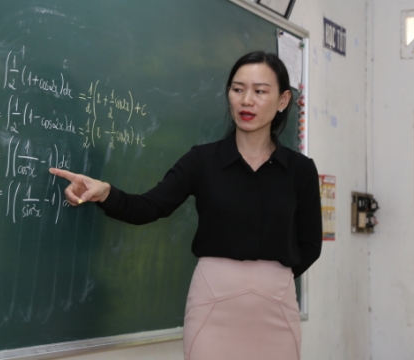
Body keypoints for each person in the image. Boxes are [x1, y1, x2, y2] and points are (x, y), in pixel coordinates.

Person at [49, 51, 322, 360]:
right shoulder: (202, 161)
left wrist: (268, 276)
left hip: (276, 307)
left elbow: (310, 244)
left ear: (283, 100)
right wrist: (105, 192)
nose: (246, 100)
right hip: (213, 302)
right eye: (237, 89)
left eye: (260, 91)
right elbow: (149, 207)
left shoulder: (300, 170)